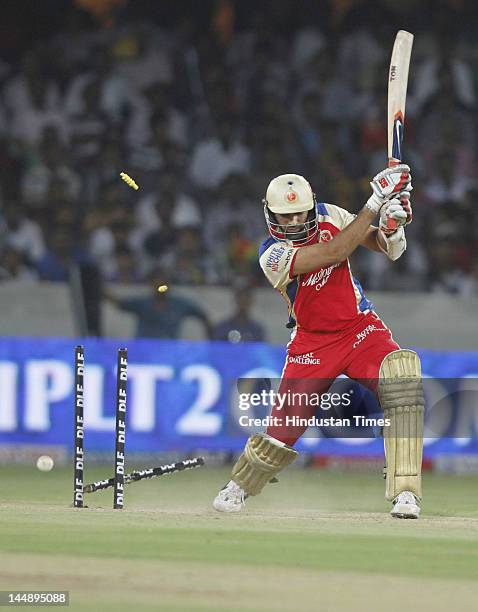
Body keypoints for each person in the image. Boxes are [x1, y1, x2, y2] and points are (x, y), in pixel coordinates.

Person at [213, 165, 425, 519]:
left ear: (311, 207)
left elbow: (385, 248)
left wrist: (391, 225)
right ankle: (238, 487)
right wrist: (374, 202)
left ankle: (406, 492)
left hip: (360, 330)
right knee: (282, 432)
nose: (294, 221)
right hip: (312, 343)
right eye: (285, 215)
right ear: (270, 215)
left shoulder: (331, 214)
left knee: (402, 384)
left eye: (300, 213)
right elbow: (333, 253)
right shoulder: (271, 254)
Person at [104, 269, 212, 339]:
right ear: (151, 284)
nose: (161, 287)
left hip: (168, 352)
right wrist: (100, 290)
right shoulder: (142, 303)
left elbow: (203, 315)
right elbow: (119, 303)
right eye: (157, 283)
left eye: (164, 283)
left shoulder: (179, 304)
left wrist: (211, 339)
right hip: (144, 350)